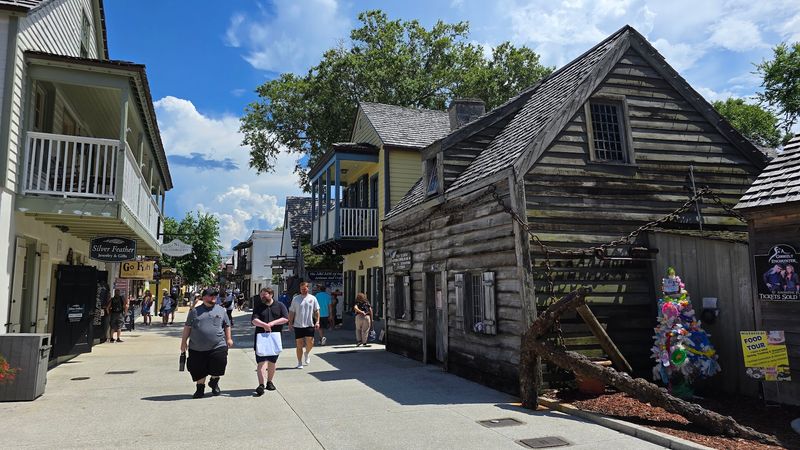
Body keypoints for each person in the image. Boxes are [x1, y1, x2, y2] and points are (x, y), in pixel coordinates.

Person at [180, 288, 233, 399]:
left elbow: (227, 325)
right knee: (198, 369)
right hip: (197, 347)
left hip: (218, 344)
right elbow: (187, 327)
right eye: (211, 295)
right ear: (204, 297)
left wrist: (229, 339)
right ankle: (200, 388)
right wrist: (183, 342)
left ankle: (214, 382)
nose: (214, 297)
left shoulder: (221, 310)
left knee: (219, 364)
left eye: (215, 295)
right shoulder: (195, 311)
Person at [251, 287, 288, 396]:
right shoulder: (258, 307)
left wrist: (272, 324)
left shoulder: (280, 305)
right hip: (260, 338)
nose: (262, 297)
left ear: (271, 294)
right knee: (261, 361)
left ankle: (269, 382)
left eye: (264, 295)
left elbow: (285, 318)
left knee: (272, 361)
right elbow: (254, 320)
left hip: (275, 337)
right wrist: (264, 325)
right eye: (261, 295)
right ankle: (261, 385)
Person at [288, 281, 320, 369]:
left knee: (310, 342)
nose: (303, 291)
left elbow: (316, 311)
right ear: (300, 289)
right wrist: (290, 323)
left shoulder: (312, 298)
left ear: (308, 288)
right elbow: (291, 312)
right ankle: (299, 362)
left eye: (305, 289)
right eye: (302, 289)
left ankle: (307, 353)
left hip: (309, 324)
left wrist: (317, 321)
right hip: (298, 325)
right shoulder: (296, 299)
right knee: (299, 344)